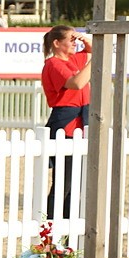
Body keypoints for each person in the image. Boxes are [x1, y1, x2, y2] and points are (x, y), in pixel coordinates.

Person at [41, 25, 92, 219]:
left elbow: (94, 49)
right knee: (64, 184)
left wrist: (85, 41)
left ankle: (68, 228)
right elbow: (77, 83)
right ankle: (52, 227)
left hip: (79, 125)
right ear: (56, 43)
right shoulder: (54, 64)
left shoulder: (72, 59)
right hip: (67, 126)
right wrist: (94, 59)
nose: (75, 42)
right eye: (71, 39)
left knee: (75, 185)